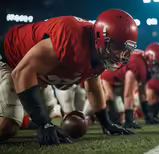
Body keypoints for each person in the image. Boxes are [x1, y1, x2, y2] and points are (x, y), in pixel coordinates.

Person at [0, 9, 138, 145]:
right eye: (117, 47)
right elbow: (22, 72)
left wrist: (107, 123)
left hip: (38, 75)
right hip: (12, 60)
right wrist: (43, 124)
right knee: (7, 126)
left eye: (126, 50)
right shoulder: (71, 36)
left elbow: (94, 88)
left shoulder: (100, 55)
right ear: (101, 38)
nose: (121, 55)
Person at [101, 43, 159, 128]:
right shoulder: (137, 63)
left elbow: (143, 93)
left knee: (119, 105)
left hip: (119, 80)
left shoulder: (146, 65)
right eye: (158, 65)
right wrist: (129, 119)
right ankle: (106, 123)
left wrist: (148, 117)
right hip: (106, 77)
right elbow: (128, 93)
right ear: (150, 59)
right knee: (109, 97)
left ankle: (146, 118)